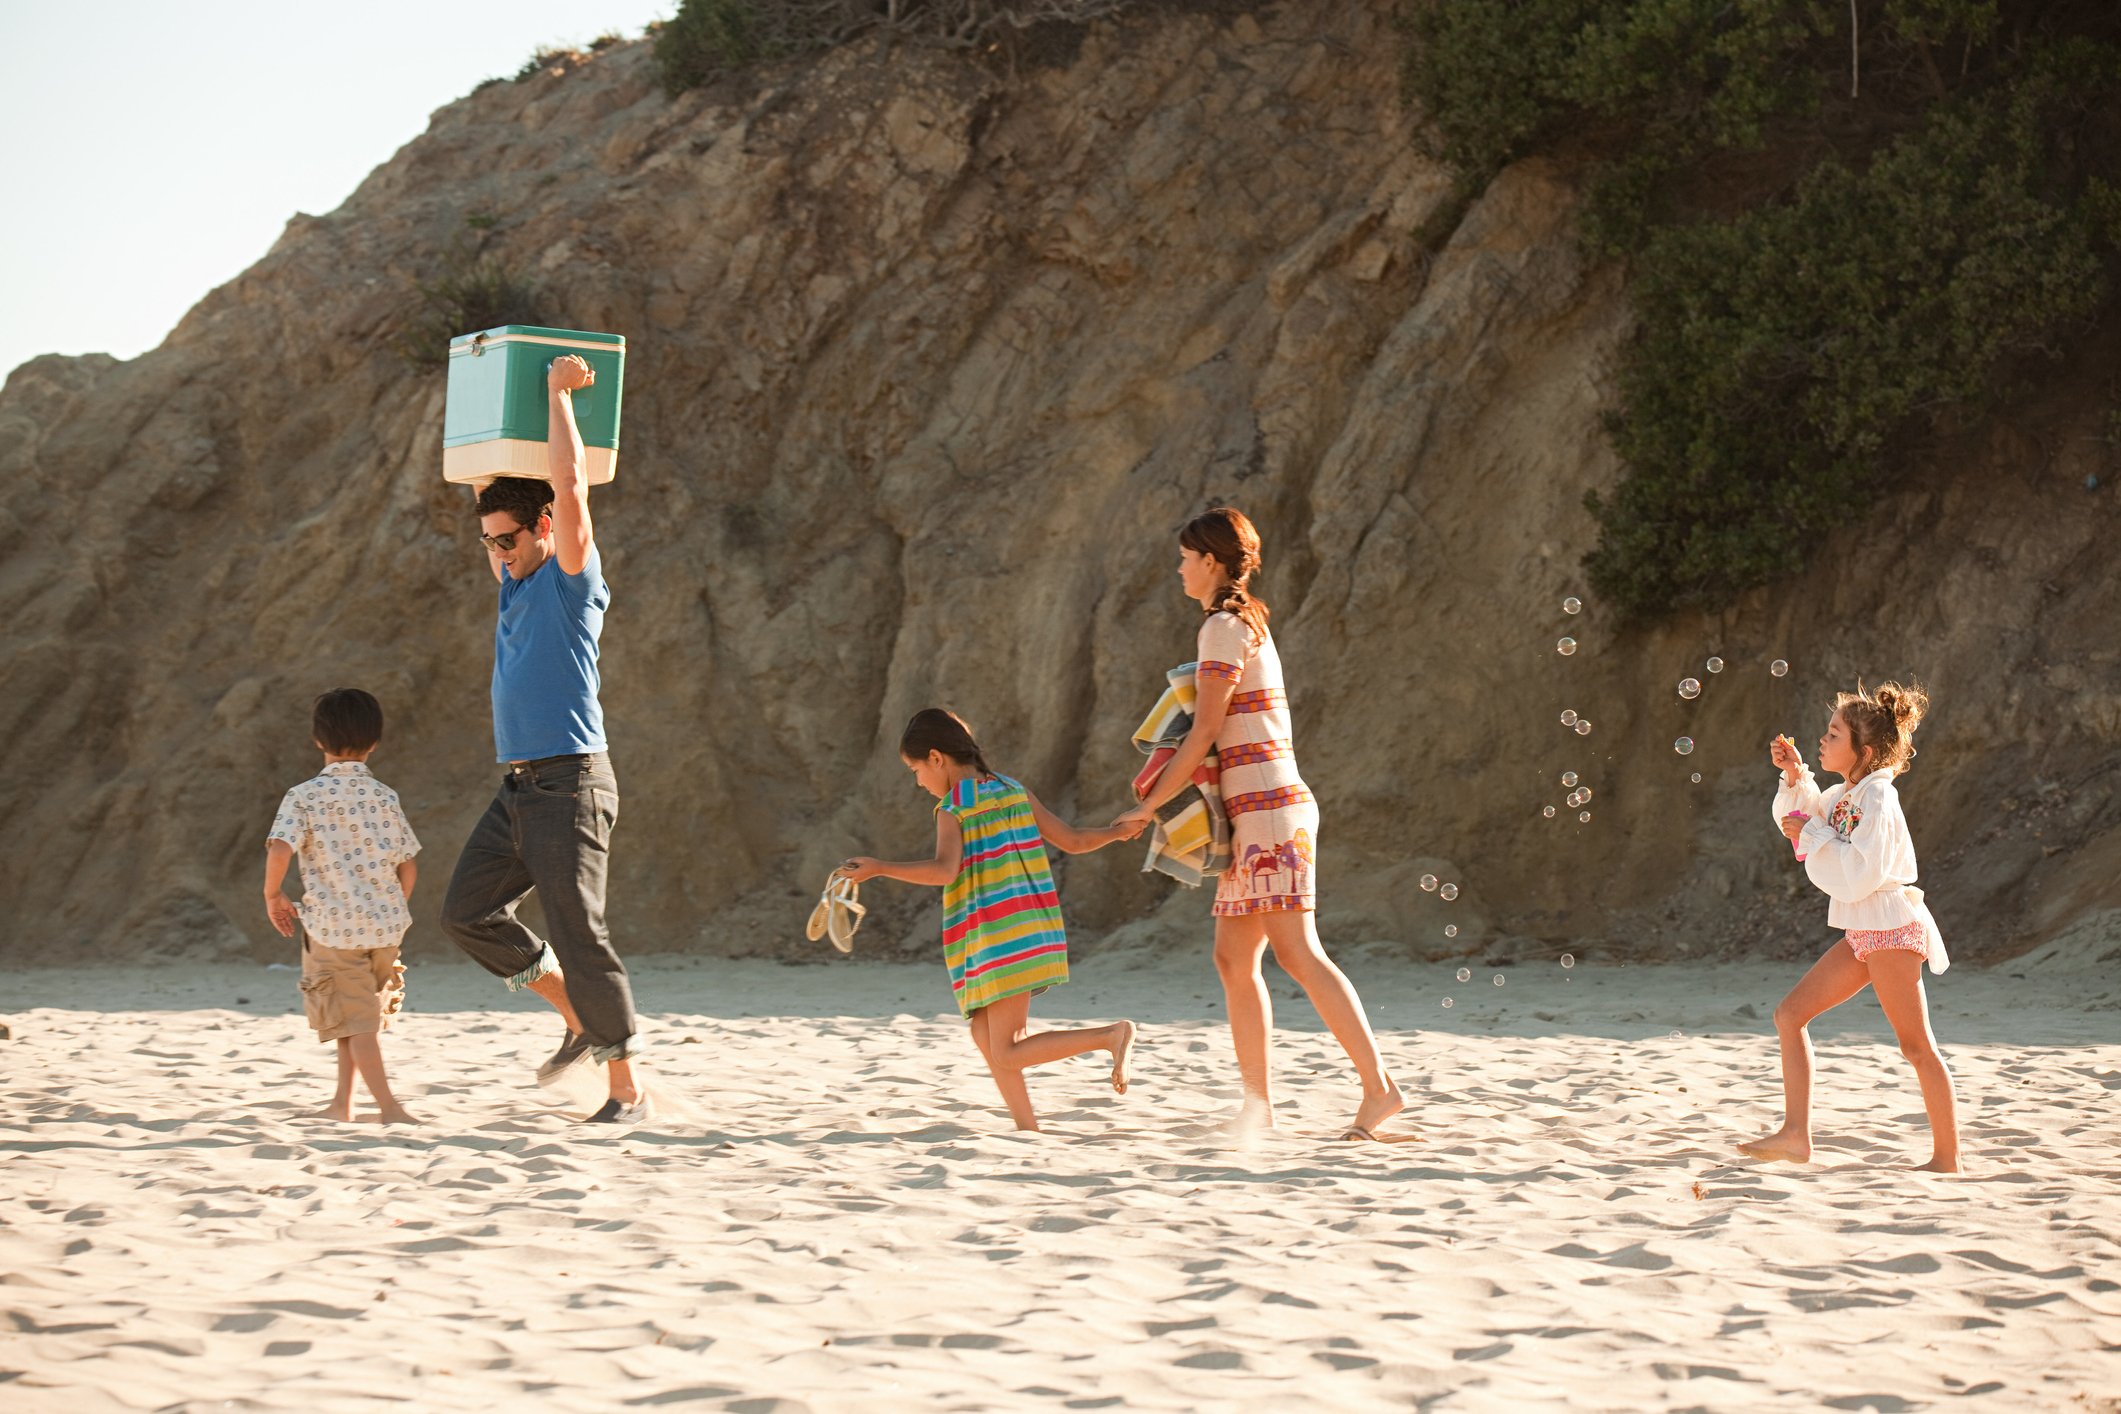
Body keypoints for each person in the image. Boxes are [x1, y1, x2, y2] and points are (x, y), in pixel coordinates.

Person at [1116, 507, 1403, 1142]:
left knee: (1300, 953)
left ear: (1212, 562)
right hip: (1258, 813)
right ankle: (1257, 1107)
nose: (1180, 569)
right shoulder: (1236, 623)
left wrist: (1148, 805)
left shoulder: (1223, 627)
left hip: (1270, 811)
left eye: (1187, 558)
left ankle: (1380, 1089)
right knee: (1232, 956)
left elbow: (1207, 732)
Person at [439, 354, 642, 1123]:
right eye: (489, 540)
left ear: (545, 529)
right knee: (465, 912)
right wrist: (480, 403)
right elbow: (482, 482)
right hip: (520, 787)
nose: (497, 551)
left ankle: (625, 1087)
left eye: (508, 539)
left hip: (572, 781)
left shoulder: (567, 578)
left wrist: (557, 397)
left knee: (578, 930)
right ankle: (576, 1019)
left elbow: (570, 485)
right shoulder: (514, 584)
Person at [836, 709, 1144, 1132]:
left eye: (915, 769)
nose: (918, 781)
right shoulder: (1012, 789)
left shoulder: (953, 808)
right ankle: (1027, 1128)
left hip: (998, 935)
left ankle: (1109, 1036)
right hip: (1033, 927)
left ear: (936, 758)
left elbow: (944, 871)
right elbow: (1072, 840)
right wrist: (1116, 832)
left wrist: (880, 867)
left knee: (1008, 1049)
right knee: (985, 1036)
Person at [1741, 681, 1960, 1171]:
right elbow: (1803, 817)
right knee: (1789, 1016)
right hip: (1864, 931)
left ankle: (1947, 1159)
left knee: (1916, 1046)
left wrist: (1813, 832)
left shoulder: (1879, 798)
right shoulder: (1846, 793)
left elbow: (1864, 868)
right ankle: (1796, 1135)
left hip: (1891, 928)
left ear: (1863, 751)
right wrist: (1797, 776)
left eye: (1833, 734)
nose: (1823, 740)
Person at [265, 687, 420, 1124]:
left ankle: (390, 1109)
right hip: (386, 929)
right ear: (374, 743)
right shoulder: (385, 797)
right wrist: (390, 909)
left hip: (333, 931)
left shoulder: (304, 796)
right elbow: (408, 866)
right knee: (355, 1016)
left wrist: (272, 894)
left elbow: (280, 847)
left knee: (358, 1022)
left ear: (318, 739)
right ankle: (341, 1104)